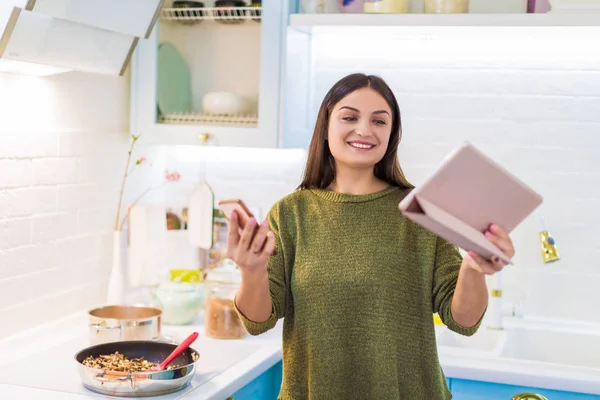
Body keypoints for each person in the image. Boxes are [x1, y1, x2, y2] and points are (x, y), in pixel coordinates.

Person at [227, 73, 514, 399]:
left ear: (391, 136)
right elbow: (258, 321)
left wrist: (474, 268)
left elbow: (463, 321)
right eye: (349, 117)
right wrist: (250, 271)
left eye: (379, 121)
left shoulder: (421, 212)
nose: (364, 130)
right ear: (325, 128)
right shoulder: (291, 214)